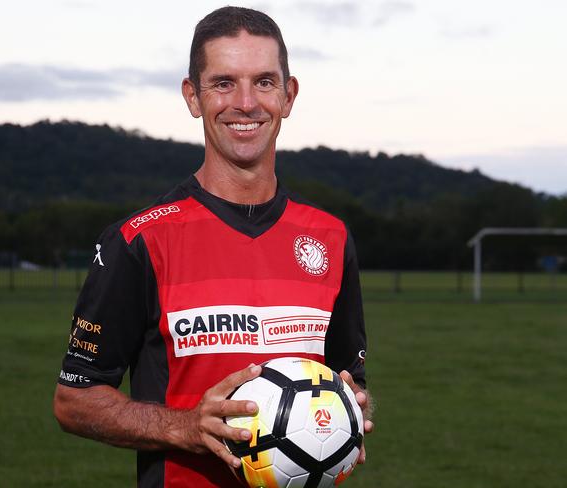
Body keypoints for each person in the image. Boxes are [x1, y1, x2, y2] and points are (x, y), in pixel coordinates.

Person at [53, 6, 373, 487]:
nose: (245, 103)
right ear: (192, 96)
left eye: (264, 82)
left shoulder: (330, 236)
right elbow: (75, 399)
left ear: (289, 96)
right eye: (223, 83)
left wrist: (348, 411)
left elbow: (353, 378)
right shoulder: (141, 241)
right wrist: (183, 426)